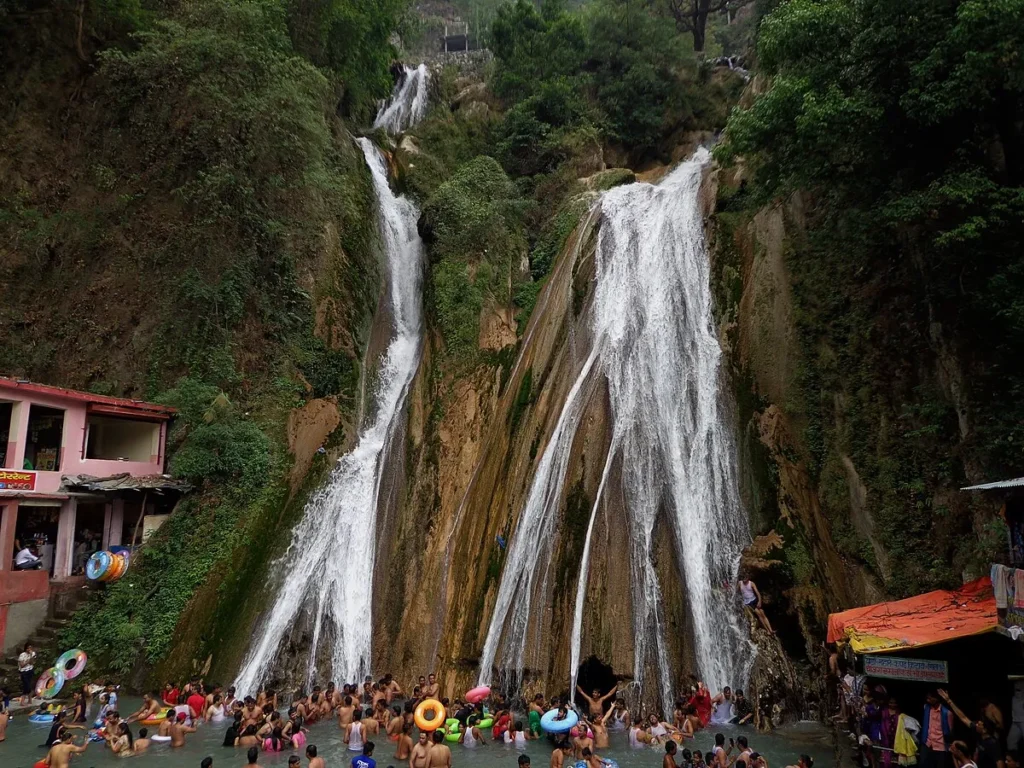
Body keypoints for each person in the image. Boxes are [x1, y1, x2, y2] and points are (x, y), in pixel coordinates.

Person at [920, 691, 955, 768]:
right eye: (927, 698)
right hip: (927, 744)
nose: (928, 700)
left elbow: (950, 731)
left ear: (937, 698)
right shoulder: (926, 708)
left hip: (940, 746)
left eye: (930, 697)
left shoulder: (947, 713)